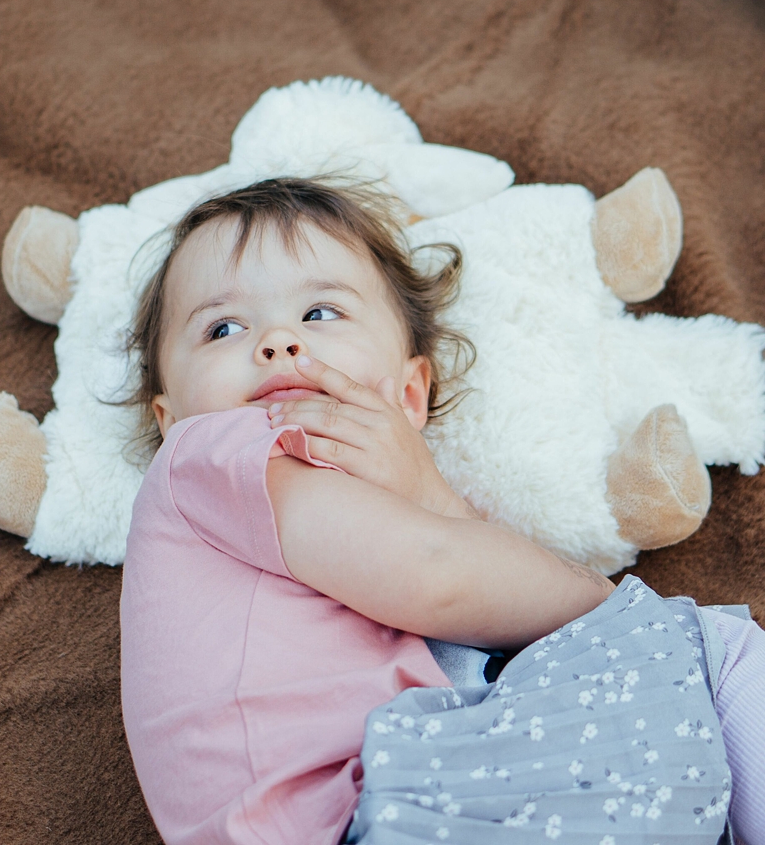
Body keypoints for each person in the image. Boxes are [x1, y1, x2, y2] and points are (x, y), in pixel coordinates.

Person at [119, 178, 764, 845]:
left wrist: (428, 493)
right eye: (223, 327)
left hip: (418, 788)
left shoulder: (356, 520)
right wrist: (621, 618)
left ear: (408, 394)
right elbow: (440, 576)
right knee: (708, 651)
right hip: (373, 808)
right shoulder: (210, 451)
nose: (278, 343)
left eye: (320, 315)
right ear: (171, 419)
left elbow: (468, 612)